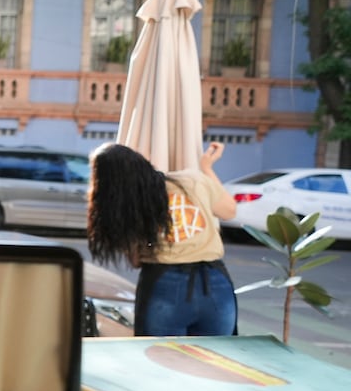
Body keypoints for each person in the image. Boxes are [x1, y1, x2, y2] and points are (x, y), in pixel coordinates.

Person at [86, 140, 239, 337]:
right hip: (215, 285)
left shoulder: (130, 208)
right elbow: (229, 211)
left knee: (161, 362)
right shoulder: (192, 181)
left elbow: (135, 261)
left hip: (163, 286)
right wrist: (206, 168)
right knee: (216, 362)